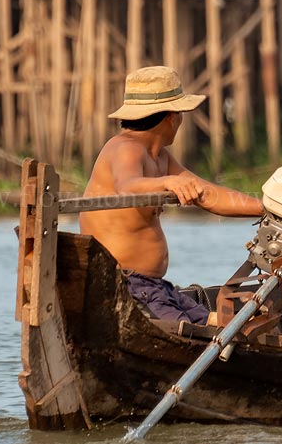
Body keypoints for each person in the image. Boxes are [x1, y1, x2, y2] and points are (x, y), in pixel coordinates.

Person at [79, 65, 265, 327]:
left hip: (155, 287)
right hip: (128, 286)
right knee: (191, 333)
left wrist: (266, 208)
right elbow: (127, 186)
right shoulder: (125, 148)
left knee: (224, 324)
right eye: (181, 114)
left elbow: (208, 194)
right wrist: (167, 181)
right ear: (171, 116)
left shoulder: (159, 156)